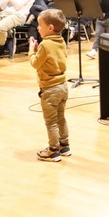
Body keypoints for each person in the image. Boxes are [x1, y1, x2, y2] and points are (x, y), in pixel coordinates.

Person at [28, 9, 70, 162]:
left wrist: (31, 51)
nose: (38, 28)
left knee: (51, 122)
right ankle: (64, 146)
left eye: (40, 25)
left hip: (50, 89)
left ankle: (53, 151)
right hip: (62, 86)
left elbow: (35, 63)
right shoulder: (61, 41)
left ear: (50, 28)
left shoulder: (45, 44)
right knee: (61, 118)